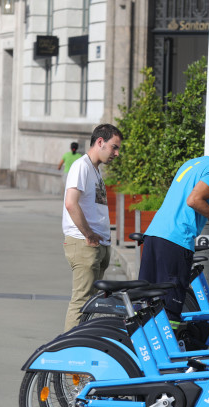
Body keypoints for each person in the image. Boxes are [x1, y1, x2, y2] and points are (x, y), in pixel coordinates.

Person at [139, 136, 209, 329]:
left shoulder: (194, 163)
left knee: (149, 306)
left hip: (155, 234)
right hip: (176, 240)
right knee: (170, 310)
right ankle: (170, 357)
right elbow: (194, 200)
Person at [62, 124, 123, 332]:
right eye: (114, 147)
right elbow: (71, 203)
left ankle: (82, 344)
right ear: (100, 142)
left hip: (96, 243)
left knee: (90, 304)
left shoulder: (94, 169)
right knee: (81, 302)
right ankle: (68, 353)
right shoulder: (82, 166)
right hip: (84, 243)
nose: (116, 153)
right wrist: (88, 234)